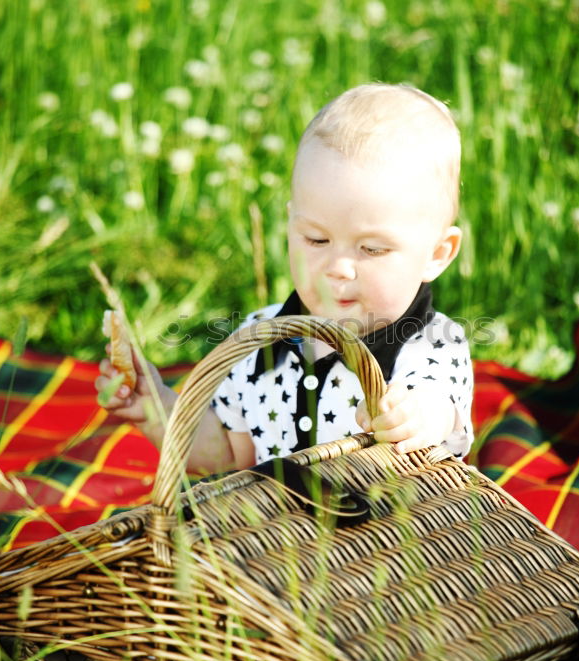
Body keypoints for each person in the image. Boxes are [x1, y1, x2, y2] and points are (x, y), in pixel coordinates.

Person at [96, 83, 473, 475]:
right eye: (316, 239)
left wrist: (416, 420)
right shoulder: (261, 338)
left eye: (372, 249)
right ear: (292, 225)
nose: (338, 267)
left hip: (383, 533)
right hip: (273, 533)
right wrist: (157, 409)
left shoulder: (432, 347)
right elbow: (228, 456)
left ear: (437, 254)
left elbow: (437, 410)